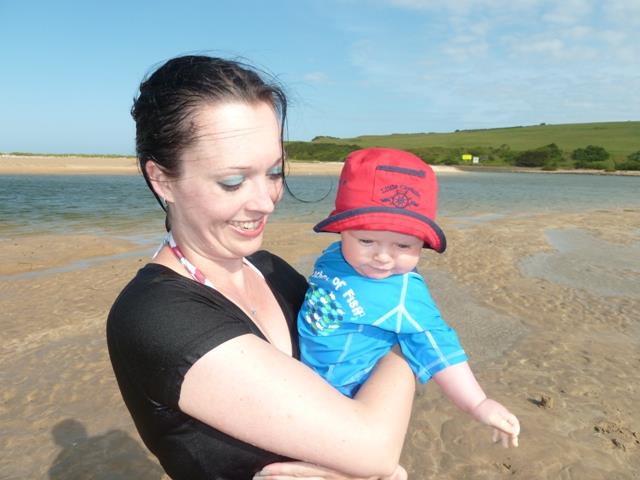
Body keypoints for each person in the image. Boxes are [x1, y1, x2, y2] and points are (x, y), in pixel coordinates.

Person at [107, 55, 414, 480]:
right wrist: (413, 341)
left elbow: (361, 366)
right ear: (162, 180)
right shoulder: (156, 317)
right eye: (233, 182)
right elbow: (375, 445)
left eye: (273, 172)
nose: (266, 201)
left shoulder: (271, 271)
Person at [298, 148, 520, 444]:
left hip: (340, 396)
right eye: (366, 239)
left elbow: (439, 346)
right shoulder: (335, 256)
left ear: (421, 244)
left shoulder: (404, 296)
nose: (382, 257)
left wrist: (477, 403)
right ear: (342, 231)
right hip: (300, 376)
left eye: (403, 246)